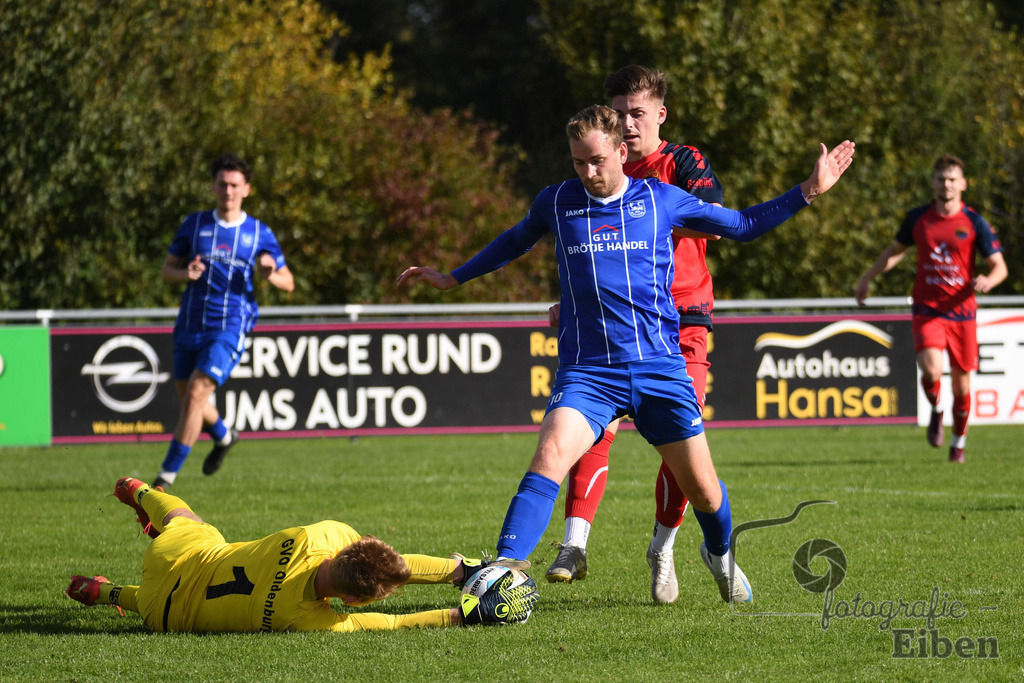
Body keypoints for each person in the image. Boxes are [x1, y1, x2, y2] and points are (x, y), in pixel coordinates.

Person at [399, 105, 855, 604]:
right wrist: (452, 277)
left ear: (621, 151)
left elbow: (743, 224)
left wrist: (809, 190)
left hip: (659, 369)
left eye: (596, 160)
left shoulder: (662, 200)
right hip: (588, 373)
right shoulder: (557, 202)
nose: (588, 173)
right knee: (550, 454)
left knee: (703, 491)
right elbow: (513, 242)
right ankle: (503, 572)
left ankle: (719, 553)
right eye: (578, 162)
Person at [547, 65, 727, 604]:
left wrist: (654, 218)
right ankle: (574, 543)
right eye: (619, 113)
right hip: (612, 323)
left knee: (682, 450)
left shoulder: (682, 162)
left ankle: (665, 544)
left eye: (637, 113)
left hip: (682, 318)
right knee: (589, 427)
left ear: (660, 115)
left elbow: (715, 214)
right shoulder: (598, 169)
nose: (627, 124)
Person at [65, 477, 538, 631]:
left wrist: (461, 569)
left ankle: (140, 490)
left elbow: (384, 564)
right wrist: (462, 614)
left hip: (174, 558)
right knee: (160, 598)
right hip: (161, 616)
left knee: (183, 520)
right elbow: (394, 621)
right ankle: (107, 594)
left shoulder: (322, 536)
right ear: (351, 602)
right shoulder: (304, 617)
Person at [154, 153, 295, 489]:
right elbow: (166, 271)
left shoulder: (259, 232)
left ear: (246, 189)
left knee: (196, 395)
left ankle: (164, 480)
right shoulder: (195, 224)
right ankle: (224, 435)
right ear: (213, 186)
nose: (227, 190)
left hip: (229, 326)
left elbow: (288, 282)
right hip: (189, 324)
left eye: (234, 184)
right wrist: (183, 272)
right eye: (222, 183)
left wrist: (269, 273)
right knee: (191, 399)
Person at [854, 154, 1006, 463]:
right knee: (931, 368)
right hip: (928, 308)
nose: (946, 184)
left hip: (962, 312)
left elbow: (1000, 266)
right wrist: (869, 276)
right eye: (941, 179)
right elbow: (895, 251)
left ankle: (958, 444)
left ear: (962, 184)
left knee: (962, 388)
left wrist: (990, 280)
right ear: (933, 182)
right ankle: (937, 410)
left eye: (952, 179)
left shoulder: (974, 222)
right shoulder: (918, 218)